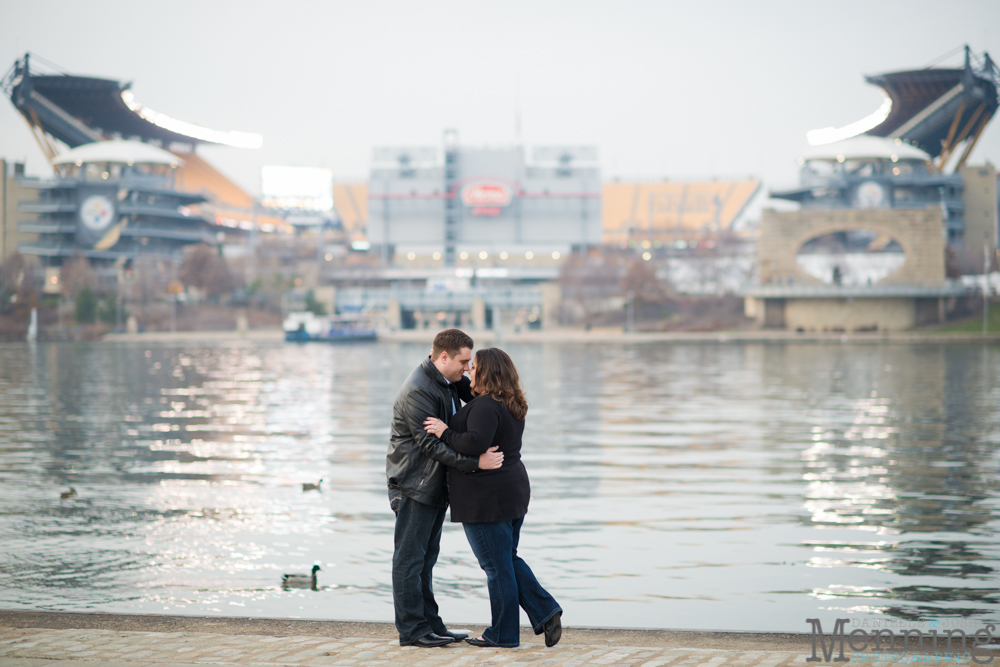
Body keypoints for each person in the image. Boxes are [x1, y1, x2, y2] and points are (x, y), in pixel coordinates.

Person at [424, 347, 562, 649]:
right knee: (506, 560)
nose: (469, 370)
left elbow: (475, 443)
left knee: (496, 567)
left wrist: (445, 431)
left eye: (474, 367)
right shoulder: (509, 402)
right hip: (510, 491)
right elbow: (465, 391)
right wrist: (438, 365)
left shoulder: (485, 406)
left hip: (488, 497)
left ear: (487, 373)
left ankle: (504, 634)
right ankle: (545, 611)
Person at [386, 329, 504, 648]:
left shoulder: (448, 379)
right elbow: (429, 445)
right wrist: (475, 463)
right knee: (410, 560)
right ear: (444, 357)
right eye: (465, 362)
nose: (468, 368)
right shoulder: (419, 390)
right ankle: (411, 630)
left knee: (427, 559)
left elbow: (482, 396)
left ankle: (431, 625)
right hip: (414, 483)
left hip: (434, 484)